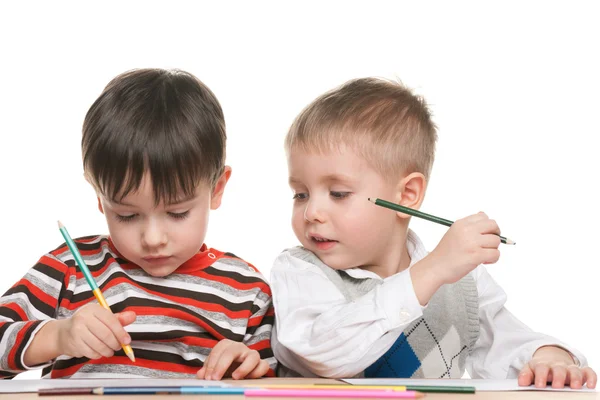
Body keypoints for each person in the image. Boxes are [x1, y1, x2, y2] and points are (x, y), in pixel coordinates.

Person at [270, 77, 596, 389]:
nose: (311, 212)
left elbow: (507, 347)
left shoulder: (459, 282)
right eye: (300, 194)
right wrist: (431, 271)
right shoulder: (300, 271)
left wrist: (547, 357)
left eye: (338, 193)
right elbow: (322, 352)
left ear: (407, 195)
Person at [0, 68, 276, 380]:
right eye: (127, 215)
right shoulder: (70, 269)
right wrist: (58, 337)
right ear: (101, 199)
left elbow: (284, 382)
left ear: (217, 189)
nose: (153, 238)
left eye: (177, 213)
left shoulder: (247, 292)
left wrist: (249, 367)